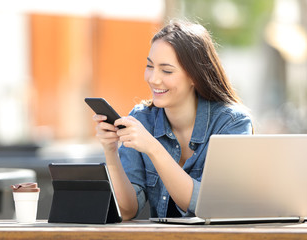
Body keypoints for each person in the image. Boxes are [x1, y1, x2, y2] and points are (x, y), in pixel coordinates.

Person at [93, 19, 253, 220]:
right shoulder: (142, 119)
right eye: (150, 66)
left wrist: (153, 148)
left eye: (166, 70)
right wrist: (111, 152)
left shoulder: (231, 123)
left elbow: (206, 206)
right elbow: (126, 210)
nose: (153, 79)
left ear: (195, 76)